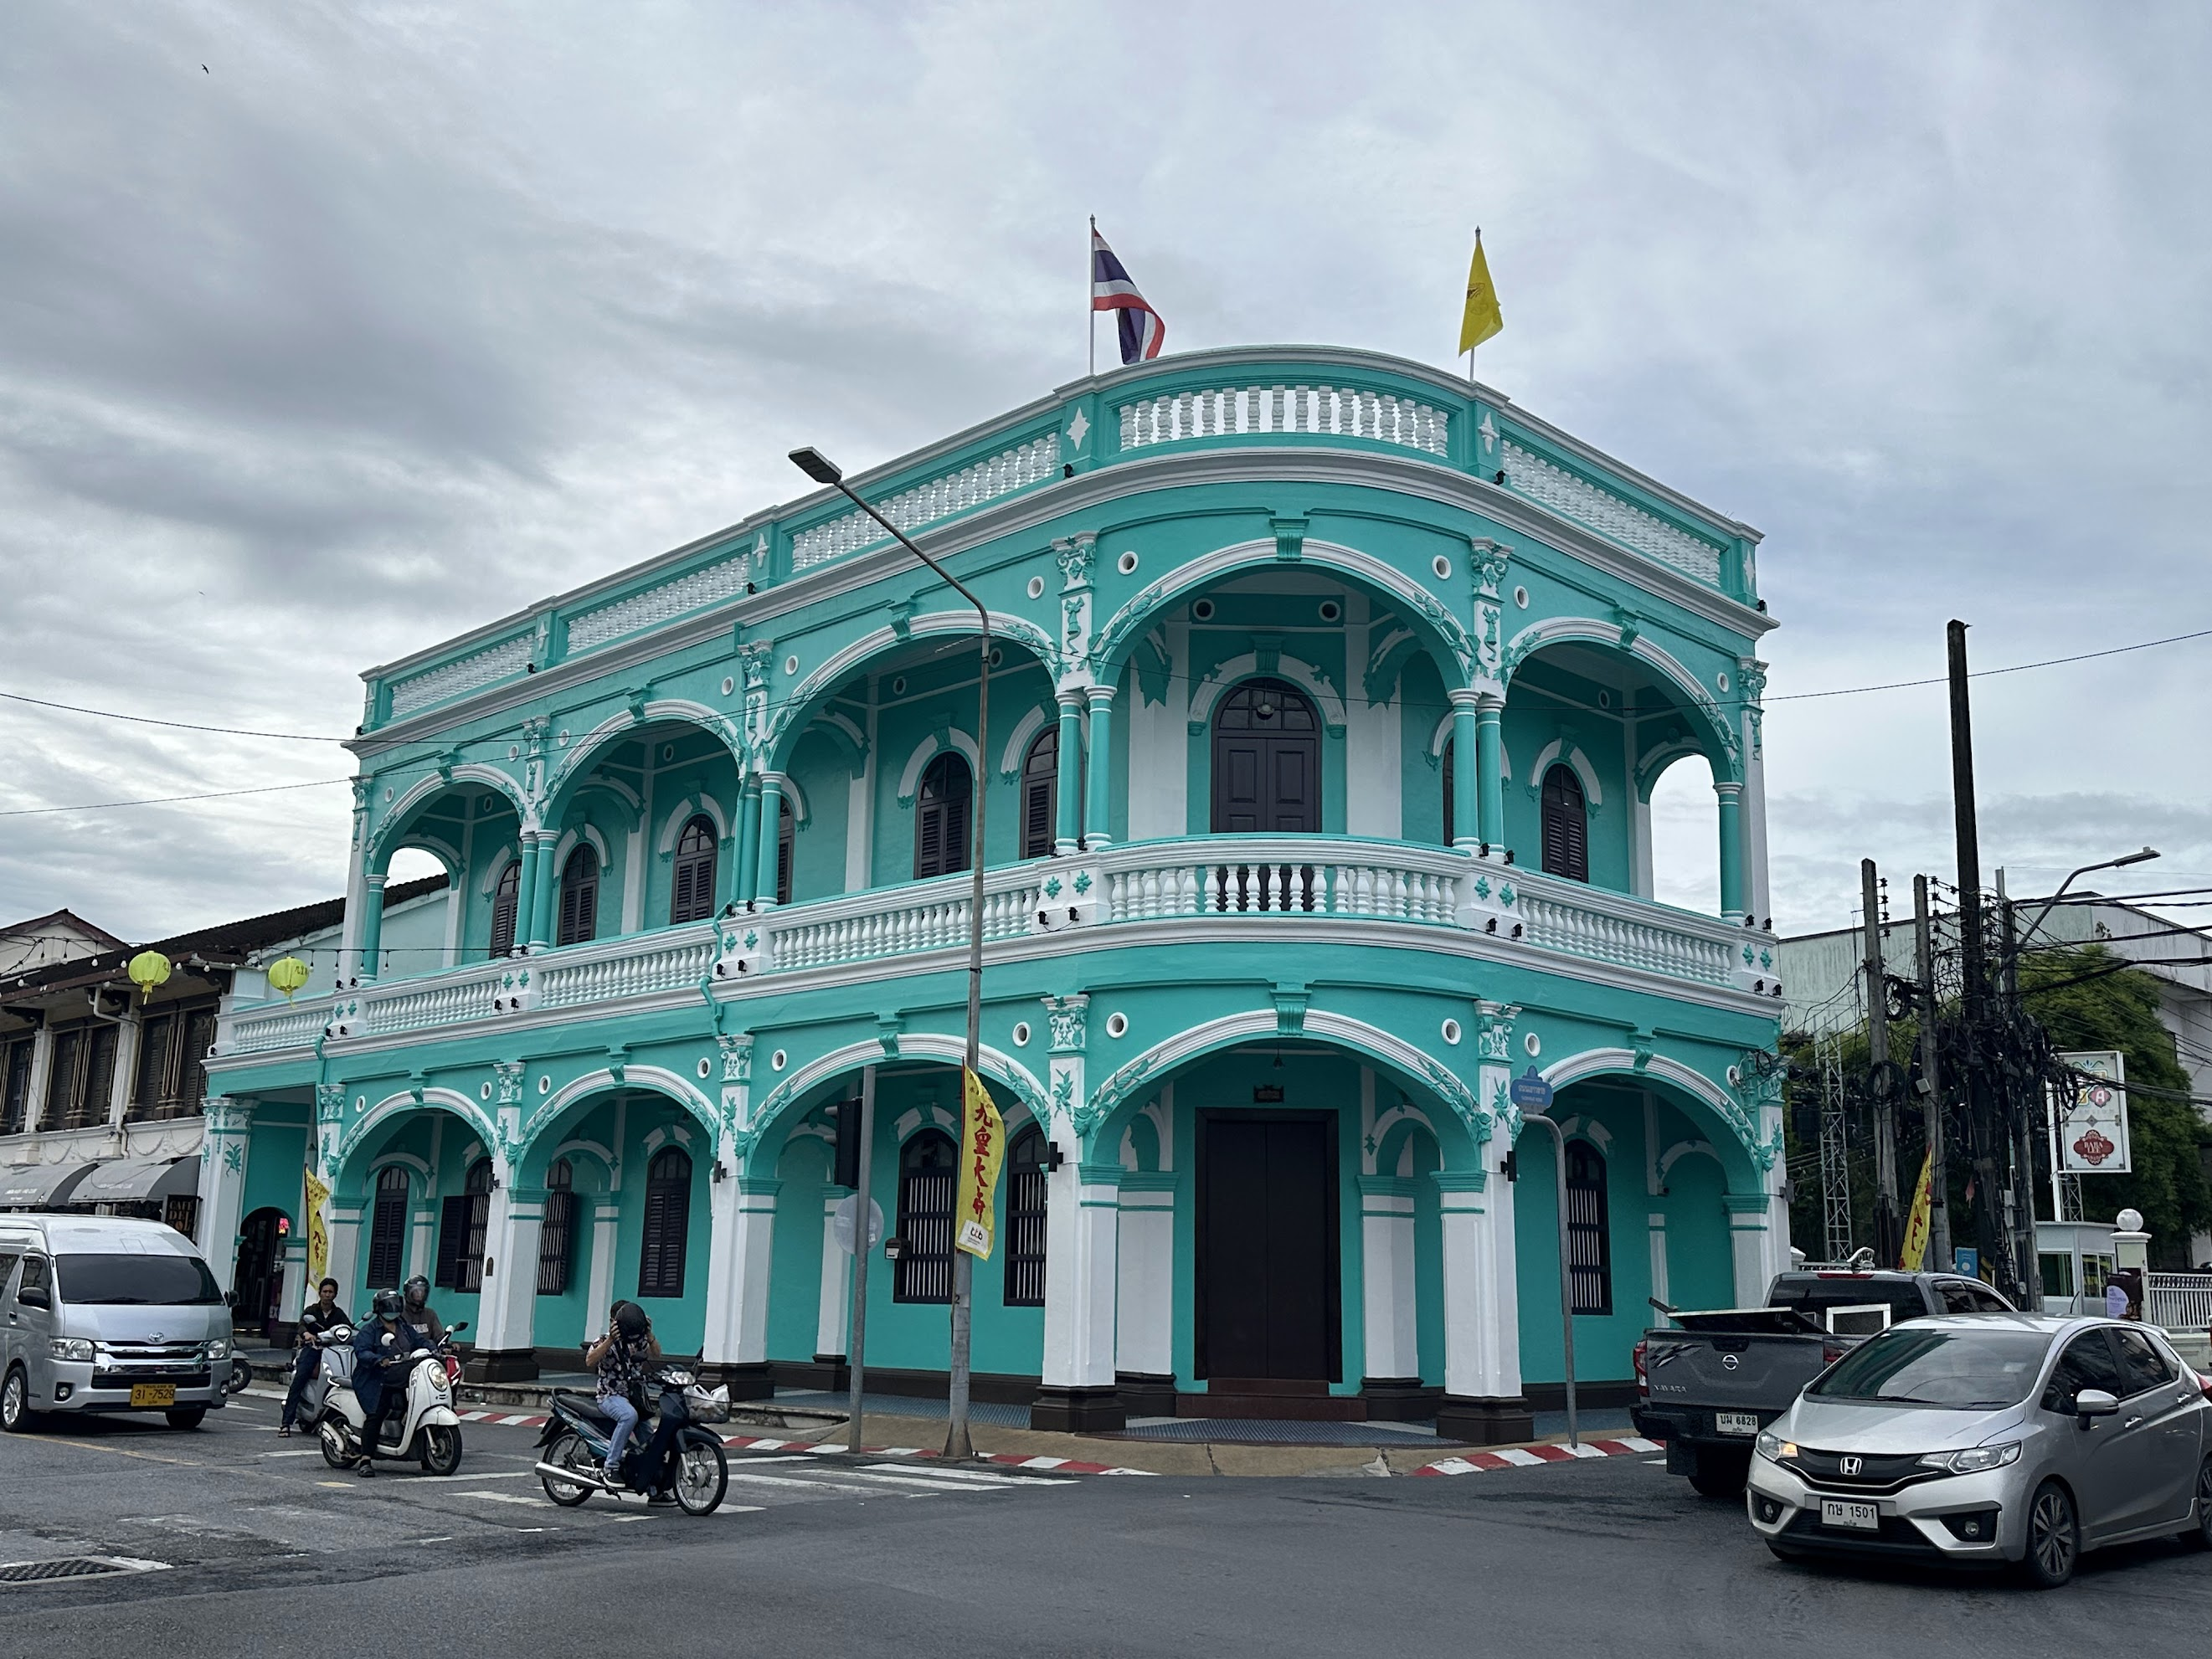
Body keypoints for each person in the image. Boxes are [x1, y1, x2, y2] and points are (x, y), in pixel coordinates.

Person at [583, 1301, 659, 1487]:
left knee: (648, 1435)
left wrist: (649, 1334)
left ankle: (654, 1484)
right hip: (609, 1395)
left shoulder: (638, 1339)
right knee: (629, 1416)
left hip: (633, 1397)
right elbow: (589, 1360)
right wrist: (610, 1340)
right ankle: (610, 1467)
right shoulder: (604, 1340)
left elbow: (657, 1353)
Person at [350, 1289, 422, 1477]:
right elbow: (362, 1351)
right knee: (376, 1414)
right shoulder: (370, 1330)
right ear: (379, 1308)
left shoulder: (404, 1327)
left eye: (396, 1305)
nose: (393, 1309)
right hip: (377, 1380)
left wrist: (436, 1349)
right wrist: (378, 1360)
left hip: (402, 1376)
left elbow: (420, 1341)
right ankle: (366, 1459)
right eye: (389, 1306)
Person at [280, 1277, 349, 1436]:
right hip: (313, 1349)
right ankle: (286, 1424)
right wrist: (306, 1334)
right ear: (320, 1293)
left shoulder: (338, 1314)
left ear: (335, 1294)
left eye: (330, 1292)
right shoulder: (312, 1311)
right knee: (299, 1380)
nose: (327, 1295)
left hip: (332, 1352)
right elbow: (301, 1324)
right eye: (325, 1292)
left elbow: (348, 1328)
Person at [399, 1275, 446, 1347]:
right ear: (408, 1293)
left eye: (422, 1291)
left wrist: (448, 1344)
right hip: (407, 1354)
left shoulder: (430, 1314)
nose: (419, 1295)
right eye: (416, 1291)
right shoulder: (400, 1314)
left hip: (428, 1352)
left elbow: (439, 1336)